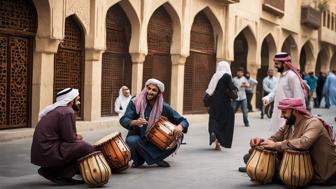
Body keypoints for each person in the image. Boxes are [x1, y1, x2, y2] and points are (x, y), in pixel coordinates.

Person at [239, 98, 336, 185]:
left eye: (284, 112)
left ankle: (263, 171)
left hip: (320, 173)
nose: (282, 115)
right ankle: (260, 169)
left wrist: (276, 145)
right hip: (297, 165)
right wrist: (261, 142)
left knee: (262, 165)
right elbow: (275, 138)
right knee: (249, 156)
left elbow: (304, 143)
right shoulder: (289, 124)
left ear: (295, 111)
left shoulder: (313, 122)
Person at [31, 88, 95, 185]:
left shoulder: (60, 110)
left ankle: (51, 170)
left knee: (81, 146)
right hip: (48, 150)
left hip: (44, 150)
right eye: (77, 100)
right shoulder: (67, 111)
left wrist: (76, 137)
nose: (79, 102)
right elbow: (70, 138)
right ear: (70, 100)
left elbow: (66, 136)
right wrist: (78, 137)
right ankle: (61, 175)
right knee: (86, 147)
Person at [120, 78, 189, 168]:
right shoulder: (135, 102)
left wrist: (180, 127)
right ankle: (155, 159)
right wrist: (134, 122)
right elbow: (124, 119)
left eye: (154, 90)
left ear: (158, 93)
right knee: (131, 140)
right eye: (148, 88)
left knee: (176, 142)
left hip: (156, 143)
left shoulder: (164, 107)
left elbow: (183, 121)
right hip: (139, 140)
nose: (150, 92)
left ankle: (144, 158)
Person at [262, 52, 306, 132]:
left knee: (286, 138)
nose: (275, 66)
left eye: (277, 63)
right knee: (278, 136)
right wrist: (267, 98)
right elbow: (275, 91)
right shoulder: (282, 76)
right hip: (279, 113)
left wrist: (299, 116)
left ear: (285, 64)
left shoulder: (291, 76)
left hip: (289, 115)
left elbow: (299, 98)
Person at [205, 61, 235, 151]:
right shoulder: (226, 76)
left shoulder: (215, 76)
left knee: (214, 120)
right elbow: (232, 89)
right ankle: (219, 141)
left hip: (214, 103)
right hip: (225, 103)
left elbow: (210, 90)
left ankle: (214, 133)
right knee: (225, 123)